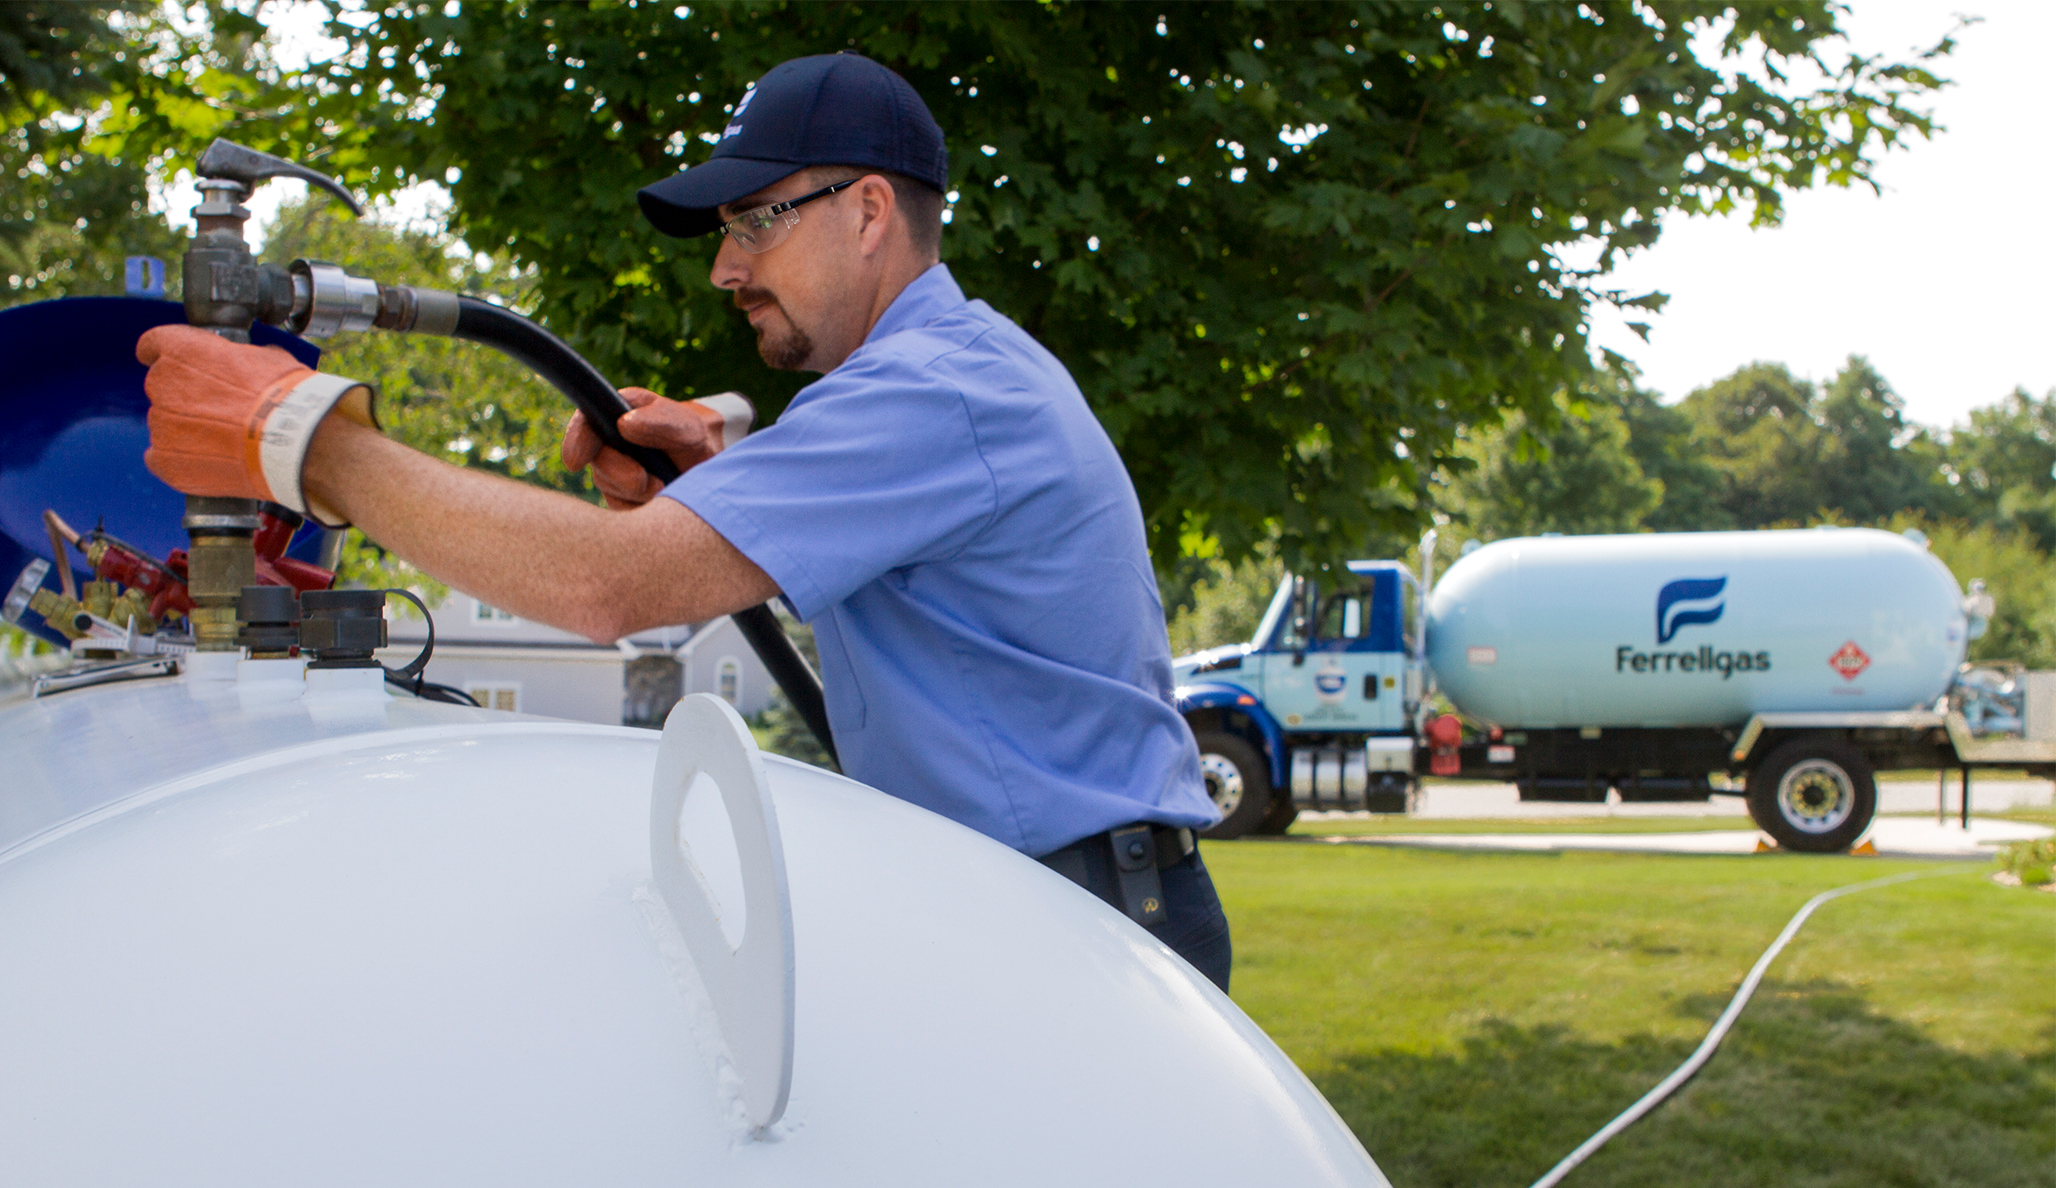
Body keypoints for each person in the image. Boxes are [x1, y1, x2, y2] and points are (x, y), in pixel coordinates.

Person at [134, 53, 1231, 991]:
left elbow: (607, 587)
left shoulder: (935, 392)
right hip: (1060, 903)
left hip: (1073, 928)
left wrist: (302, 440)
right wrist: (718, 480)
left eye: (758, 220)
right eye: (723, 230)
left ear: (867, 213)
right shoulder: (946, 376)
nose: (724, 267)